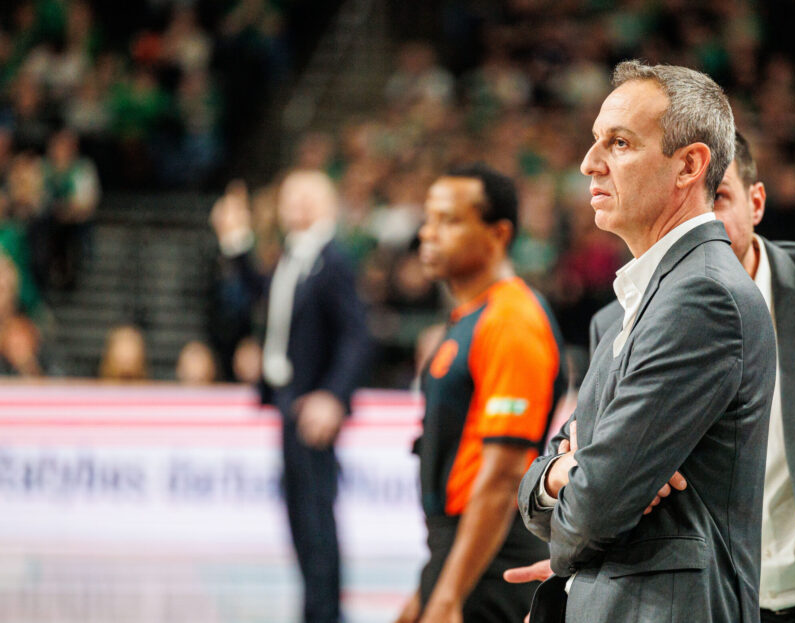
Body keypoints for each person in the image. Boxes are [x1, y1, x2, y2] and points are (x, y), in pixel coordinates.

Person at [508, 132, 795, 622]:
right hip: (730, 606)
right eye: (687, 201)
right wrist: (589, 571)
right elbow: (587, 468)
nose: (701, 218)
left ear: (756, 203)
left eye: (718, 197)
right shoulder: (616, 320)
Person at [516, 62, 776, 623]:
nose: (589, 163)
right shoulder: (641, 298)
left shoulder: (701, 297)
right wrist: (563, 473)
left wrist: (583, 481)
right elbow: (564, 479)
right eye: (596, 140)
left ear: (689, 165)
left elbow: (591, 515)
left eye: (620, 143)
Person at [395, 164, 567, 623]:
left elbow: (503, 477)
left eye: (449, 220)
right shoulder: (473, 316)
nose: (428, 233)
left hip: (493, 561)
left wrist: (449, 594)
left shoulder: (511, 322)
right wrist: (430, 587)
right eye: (428, 218)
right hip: (461, 550)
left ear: (498, 234)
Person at [211, 169, 371, 623]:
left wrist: (332, 396)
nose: (294, 204)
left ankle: (325, 613)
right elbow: (268, 299)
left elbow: (357, 336)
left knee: (315, 517)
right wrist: (237, 242)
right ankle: (316, 610)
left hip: (310, 407)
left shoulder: (333, 260)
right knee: (301, 517)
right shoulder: (295, 256)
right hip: (289, 400)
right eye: (289, 195)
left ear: (327, 204)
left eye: (305, 195)